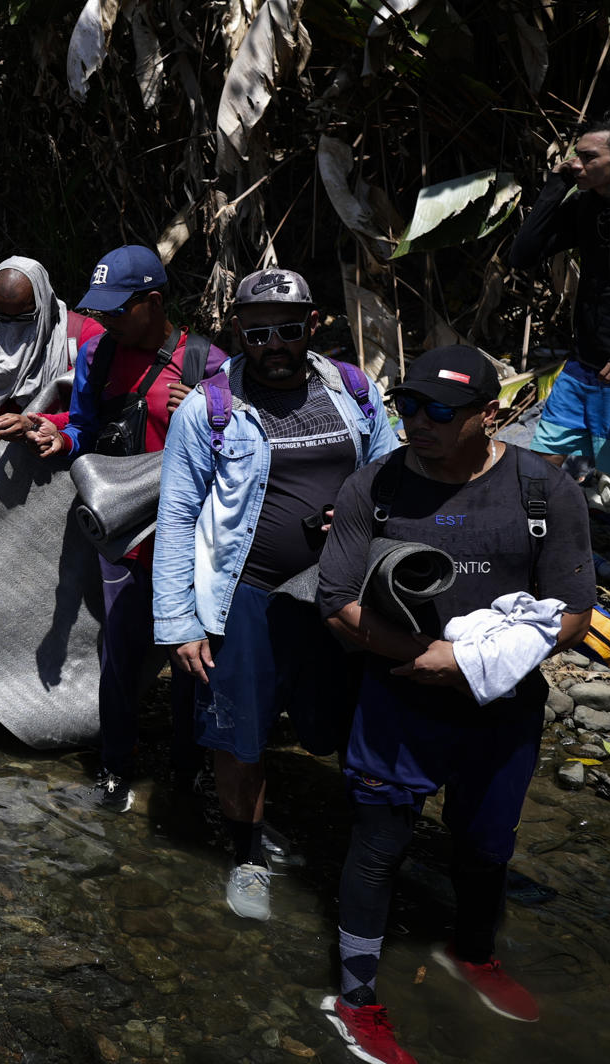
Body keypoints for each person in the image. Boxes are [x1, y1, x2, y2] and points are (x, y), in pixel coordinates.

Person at [314, 346, 592, 1062]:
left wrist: (471, 663)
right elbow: (335, 599)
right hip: (398, 697)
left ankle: (472, 954)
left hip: (500, 707)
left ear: (489, 415)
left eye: (440, 410)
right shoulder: (375, 485)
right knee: (378, 847)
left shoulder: (543, 491)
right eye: (407, 405)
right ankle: (354, 997)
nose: (418, 422)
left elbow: (573, 613)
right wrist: (417, 658)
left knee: (487, 844)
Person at [153, 268, 399, 918]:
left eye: (288, 330)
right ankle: (248, 857)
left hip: (343, 593)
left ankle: (363, 855)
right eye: (257, 332)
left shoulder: (354, 390)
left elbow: (394, 475)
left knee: (354, 727)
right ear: (238, 331)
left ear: (312, 325)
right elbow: (178, 514)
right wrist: (179, 622)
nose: (273, 344)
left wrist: (359, 514)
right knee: (240, 738)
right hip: (247, 598)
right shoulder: (208, 407)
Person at [29, 245, 220, 812]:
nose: (105, 320)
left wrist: (209, 416)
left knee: (195, 665)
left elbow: (244, 458)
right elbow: (85, 426)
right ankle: (115, 771)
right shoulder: (96, 354)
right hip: (125, 542)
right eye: (102, 310)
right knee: (118, 659)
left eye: (117, 310)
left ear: (154, 302)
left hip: (189, 545)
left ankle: (188, 773)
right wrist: (62, 437)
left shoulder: (208, 364)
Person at [507, 112, 610, 629]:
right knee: (541, 463)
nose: (574, 162)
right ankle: (521, 557)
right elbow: (523, 254)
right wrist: (555, 188)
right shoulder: (588, 207)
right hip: (583, 365)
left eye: (587, 157)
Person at [0, 257, 77, 437]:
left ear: (43, 302)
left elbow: (96, 412)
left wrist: (35, 424)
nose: (12, 327)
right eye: (2, 317)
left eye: (24, 318)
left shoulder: (79, 336)